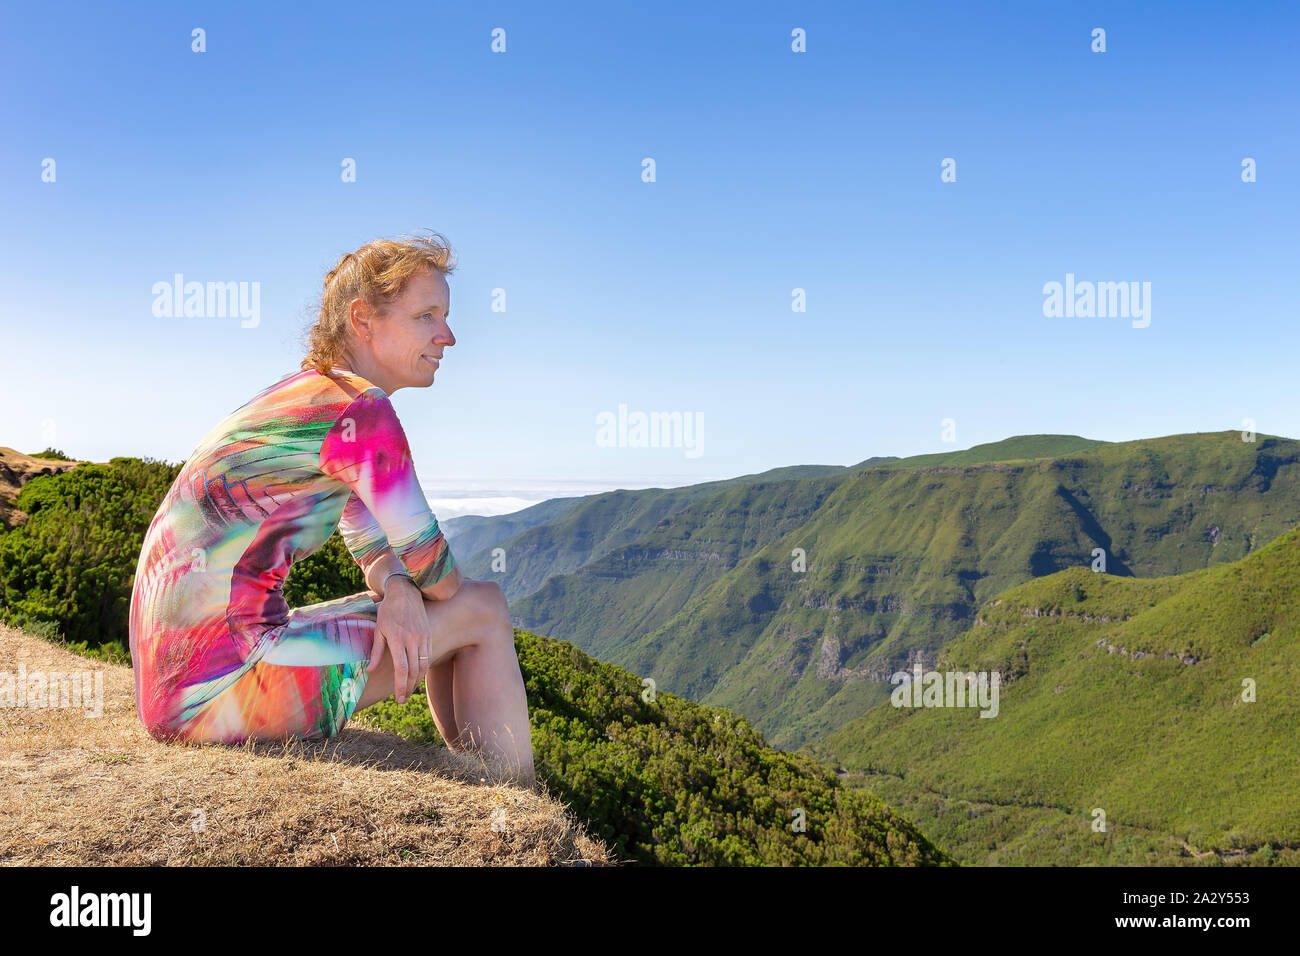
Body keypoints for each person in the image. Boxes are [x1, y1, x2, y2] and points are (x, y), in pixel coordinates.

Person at [128, 232, 535, 787]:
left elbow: (369, 539)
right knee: (482, 608)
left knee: (439, 612)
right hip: (215, 690)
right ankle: (520, 809)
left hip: (179, 681)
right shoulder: (361, 413)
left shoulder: (313, 398)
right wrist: (414, 587)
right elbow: (438, 575)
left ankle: (486, 786)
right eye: (427, 316)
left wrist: (395, 588)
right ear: (363, 320)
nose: (449, 336)